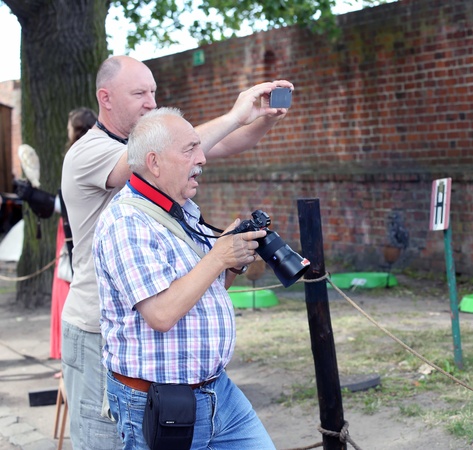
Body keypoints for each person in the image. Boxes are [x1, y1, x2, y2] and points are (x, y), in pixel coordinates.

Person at [61, 55, 292, 450]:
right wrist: (235, 115)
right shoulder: (93, 154)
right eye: (139, 93)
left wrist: (264, 117)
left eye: (153, 92)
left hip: (188, 371)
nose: (151, 101)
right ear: (106, 98)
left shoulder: (176, 191)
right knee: (103, 443)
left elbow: (222, 143)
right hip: (101, 331)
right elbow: (144, 158)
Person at [93, 107, 274, 449]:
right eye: (190, 149)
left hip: (217, 390)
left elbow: (207, 288)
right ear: (154, 162)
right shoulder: (126, 222)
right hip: (159, 403)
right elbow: (161, 314)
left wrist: (232, 261)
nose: (202, 158)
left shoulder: (182, 208)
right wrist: (218, 256)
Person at [50, 107, 97, 365]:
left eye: (69, 126)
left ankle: (71, 357)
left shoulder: (80, 156)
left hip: (77, 232)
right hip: (69, 228)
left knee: (70, 286)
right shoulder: (80, 154)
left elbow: (67, 203)